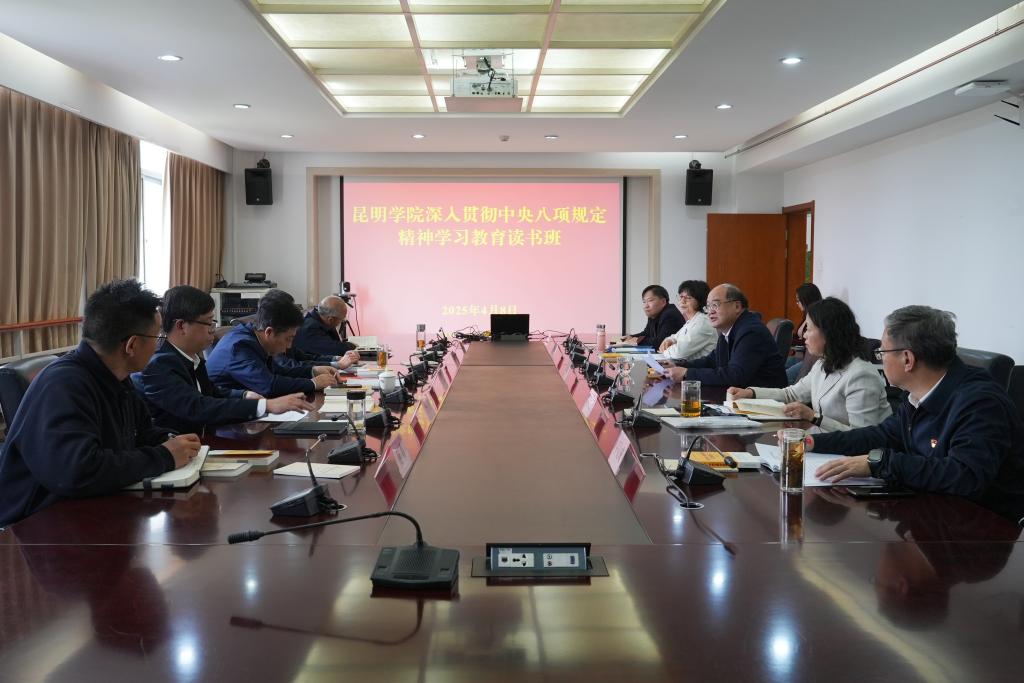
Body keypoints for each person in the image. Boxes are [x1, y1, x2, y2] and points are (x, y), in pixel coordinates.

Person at [0, 279, 201, 527]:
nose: (159, 344)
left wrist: (173, 441)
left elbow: (141, 433)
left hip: (89, 508)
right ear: (132, 345)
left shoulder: (117, 376)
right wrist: (165, 456)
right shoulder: (64, 385)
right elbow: (78, 471)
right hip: (37, 525)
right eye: (157, 337)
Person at [812, 305, 1024, 523]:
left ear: (907, 359)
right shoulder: (916, 395)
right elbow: (882, 435)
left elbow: (965, 476)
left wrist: (880, 463)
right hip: (936, 514)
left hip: (986, 528)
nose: (880, 359)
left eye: (882, 352)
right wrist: (810, 442)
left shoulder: (981, 403)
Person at [134, 285, 313, 435]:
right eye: (209, 322)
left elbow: (212, 392)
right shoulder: (158, 364)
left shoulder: (192, 358)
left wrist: (243, 395)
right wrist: (266, 405)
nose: (213, 329)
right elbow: (198, 407)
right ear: (181, 326)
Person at [728, 297, 890, 431]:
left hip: (854, 454)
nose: (804, 335)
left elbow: (863, 436)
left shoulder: (861, 375)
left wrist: (813, 417)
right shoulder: (823, 363)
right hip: (827, 444)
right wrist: (750, 393)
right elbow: (791, 394)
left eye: (809, 329)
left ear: (828, 333)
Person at [206, 296, 340, 397]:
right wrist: (313, 383)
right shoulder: (240, 346)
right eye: (288, 339)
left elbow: (278, 370)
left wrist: (313, 371)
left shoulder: (255, 336)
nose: (289, 346)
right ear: (269, 332)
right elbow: (268, 385)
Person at [666, 283, 787, 388]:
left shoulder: (751, 331)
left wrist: (687, 373)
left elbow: (735, 375)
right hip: (740, 396)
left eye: (715, 305)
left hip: (764, 402)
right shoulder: (729, 329)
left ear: (737, 306)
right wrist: (677, 365)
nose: (710, 311)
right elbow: (712, 361)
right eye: (708, 306)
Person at [260, 289, 359, 371]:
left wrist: (336, 360)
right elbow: (285, 369)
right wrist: (314, 383)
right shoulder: (307, 327)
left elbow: (303, 357)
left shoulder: (280, 332)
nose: (289, 345)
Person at [658, 280, 718, 361]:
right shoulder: (692, 320)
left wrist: (665, 350)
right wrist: (670, 340)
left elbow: (678, 353)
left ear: (700, 301)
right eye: (681, 297)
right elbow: (675, 337)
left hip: (699, 368)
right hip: (685, 365)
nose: (682, 301)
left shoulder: (703, 322)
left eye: (688, 298)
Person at [620, 285, 685, 350]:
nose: (646, 306)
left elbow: (661, 342)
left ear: (663, 302)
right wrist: (631, 337)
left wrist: (637, 340)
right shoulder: (654, 314)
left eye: (650, 300)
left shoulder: (670, 315)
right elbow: (647, 333)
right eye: (644, 302)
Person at [293, 295, 359, 359]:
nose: (341, 322)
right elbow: (334, 350)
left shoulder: (320, 320)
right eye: (341, 319)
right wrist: (352, 346)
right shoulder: (310, 328)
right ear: (331, 319)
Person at [787, 283, 824, 383]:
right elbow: (800, 336)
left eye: (798, 300)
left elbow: (806, 341)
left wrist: (790, 342)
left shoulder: (816, 318)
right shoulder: (806, 315)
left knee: (784, 376)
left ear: (806, 300)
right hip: (798, 356)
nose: (797, 303)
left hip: (805, 358)